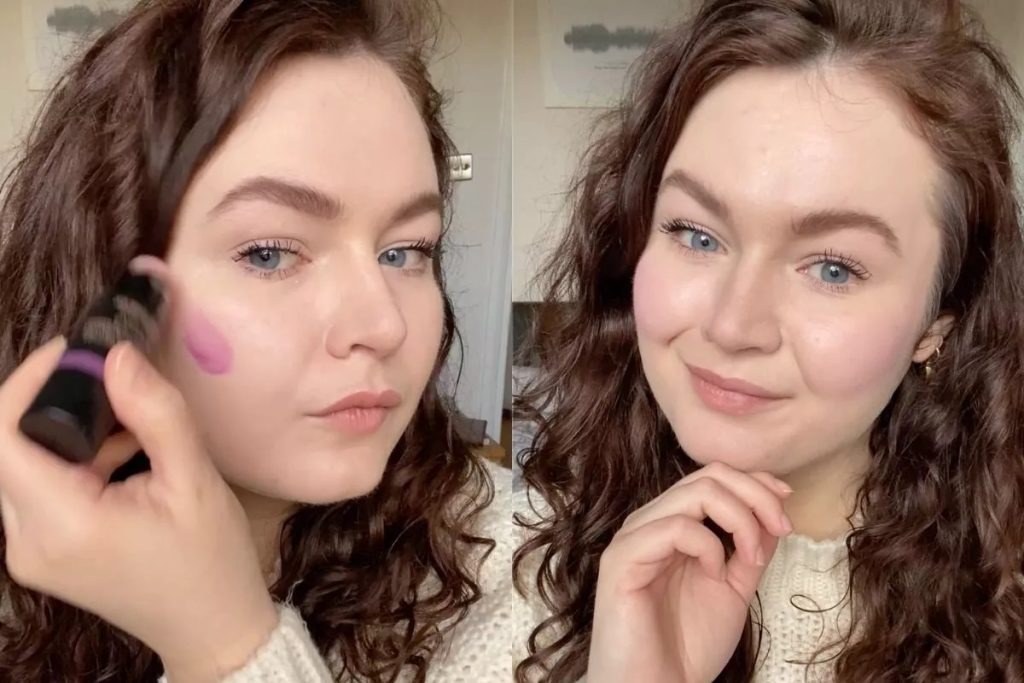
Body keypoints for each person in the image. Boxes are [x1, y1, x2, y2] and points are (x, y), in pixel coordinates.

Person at [0, 1, 513, 681]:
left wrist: (226, 643)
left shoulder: (525, 574)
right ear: (110, 294)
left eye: (406, 251)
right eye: (270, 253)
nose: (384, 324)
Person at [513, 0, 1024, 681]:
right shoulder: (506, 575)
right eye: (697, 235)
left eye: (833, 268)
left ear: (937, 326)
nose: (733, 326)